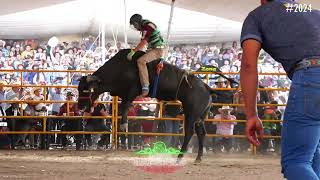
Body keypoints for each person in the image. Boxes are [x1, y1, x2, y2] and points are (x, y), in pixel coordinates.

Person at [240, 0, 320, 179]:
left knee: (296, 162)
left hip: (312, 76)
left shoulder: (257, 16)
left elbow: (248, 65)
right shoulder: (309, 10)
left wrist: (252, 114)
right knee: (314, 155)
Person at [127, 14, 168, 97]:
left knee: (141, 61)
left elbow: (144, 42)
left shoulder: (148, 26)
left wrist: (133, 52)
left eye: (134, 25)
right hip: (154, 48)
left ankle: (145, 86)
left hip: (158, 49)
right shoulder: (144, 27)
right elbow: (142, 42)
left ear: (137, 22)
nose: (135, 27)